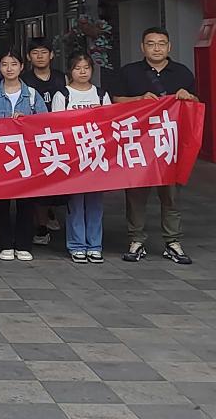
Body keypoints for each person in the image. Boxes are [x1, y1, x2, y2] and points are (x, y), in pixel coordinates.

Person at [115, 26, 199, 265]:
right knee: (136, 195)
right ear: (142, 47)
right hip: (138, 145)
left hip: (169, 145)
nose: (156, 48)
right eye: (151, 44)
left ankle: (173, 242)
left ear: (169, 47)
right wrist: (138, 100)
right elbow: (116, 100)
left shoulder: (182, 73)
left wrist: (188, 97)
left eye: (161, 44)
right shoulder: (129, 72)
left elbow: (196, 104)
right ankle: (136, 240)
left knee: (171, 196)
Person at [0, 49, 47, 262]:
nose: (9, 69)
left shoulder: (33, 95)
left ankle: (23, 244)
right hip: (0, 156)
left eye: (13, 64)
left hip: (27, 156)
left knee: (26, 202)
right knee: (0, 202)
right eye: (4, 64)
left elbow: (45, 124)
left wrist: (27, 121)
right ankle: (5, 244)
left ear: (21, 67)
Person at [53, 52, 112, 264]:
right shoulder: (63, 95)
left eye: (86, 68)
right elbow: (56, 126)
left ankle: (95, 245)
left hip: (96, 156)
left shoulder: (101, 95)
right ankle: (77, 245)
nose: (82, 72)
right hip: (73, 158)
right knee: (75, 203)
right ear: (70, 71)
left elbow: (111, 124)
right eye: (77, 68)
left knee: (95, 202)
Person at [21, 37, 66, 246]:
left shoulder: (61, 78)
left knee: (56, 180)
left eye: (44, 52)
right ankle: (40, 224)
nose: (40, 56)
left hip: (59, 137)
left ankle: (50, 212)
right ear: (29, 57)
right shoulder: (24, 80)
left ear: (52, 55)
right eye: (35, 53)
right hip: (33, 138)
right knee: (37, 182)